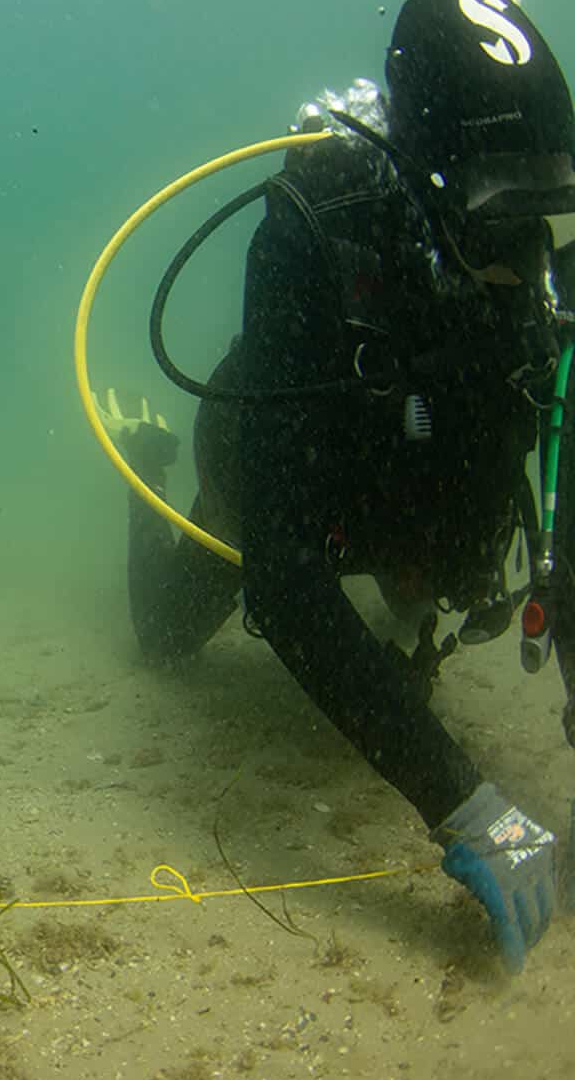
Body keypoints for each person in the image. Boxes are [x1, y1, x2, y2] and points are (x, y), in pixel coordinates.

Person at [108, 0, 571, 973]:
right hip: (283, 467)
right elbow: (283, 581)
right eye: (501, 212)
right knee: (165, 641)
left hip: (423, 480)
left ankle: (409, 577)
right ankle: (144, 465)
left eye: (552, 208)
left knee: (436, 584)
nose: (527, 255)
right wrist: (466, 804)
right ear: (425, 173)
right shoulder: (315, 228)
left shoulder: (532, 260)